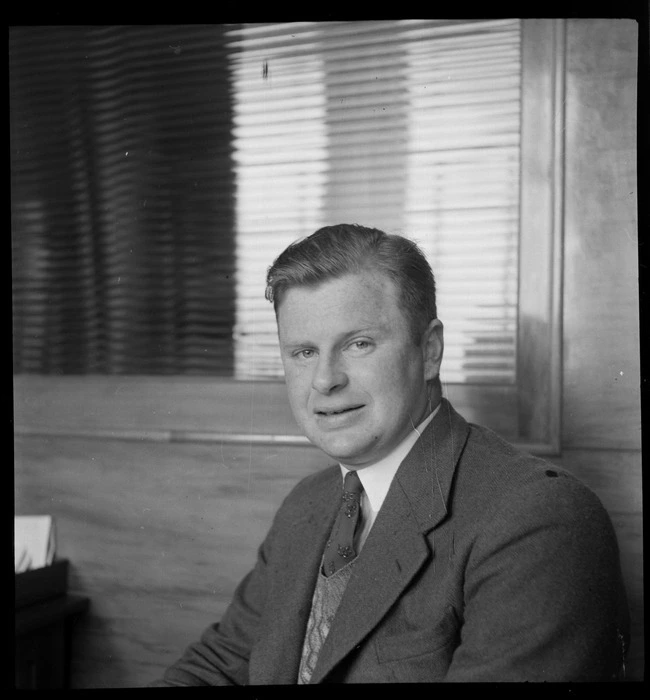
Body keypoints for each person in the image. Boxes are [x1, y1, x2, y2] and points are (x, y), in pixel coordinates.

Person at [152, 223, 630, 684]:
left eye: (358, 344)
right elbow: (221, 665)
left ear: (431, 351)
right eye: (302, 353)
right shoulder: (306, 505)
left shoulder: (538, 520)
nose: (324, 380)